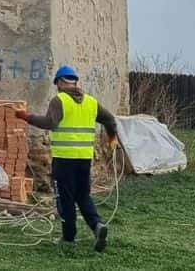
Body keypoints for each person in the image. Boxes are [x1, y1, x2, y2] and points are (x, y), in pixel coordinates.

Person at [15, 65, 118, 252]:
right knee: (83, 195)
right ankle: (97, 225)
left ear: (60, 83)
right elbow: (110, 120)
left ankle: (69, 238)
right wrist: (112, 138)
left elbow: (49, 123)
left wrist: (26, 116)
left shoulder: (59, 100)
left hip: (64, 160)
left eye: (57, 83)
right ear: (76, 82)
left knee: (65, 199)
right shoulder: (91, 102)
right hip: (84, 160)